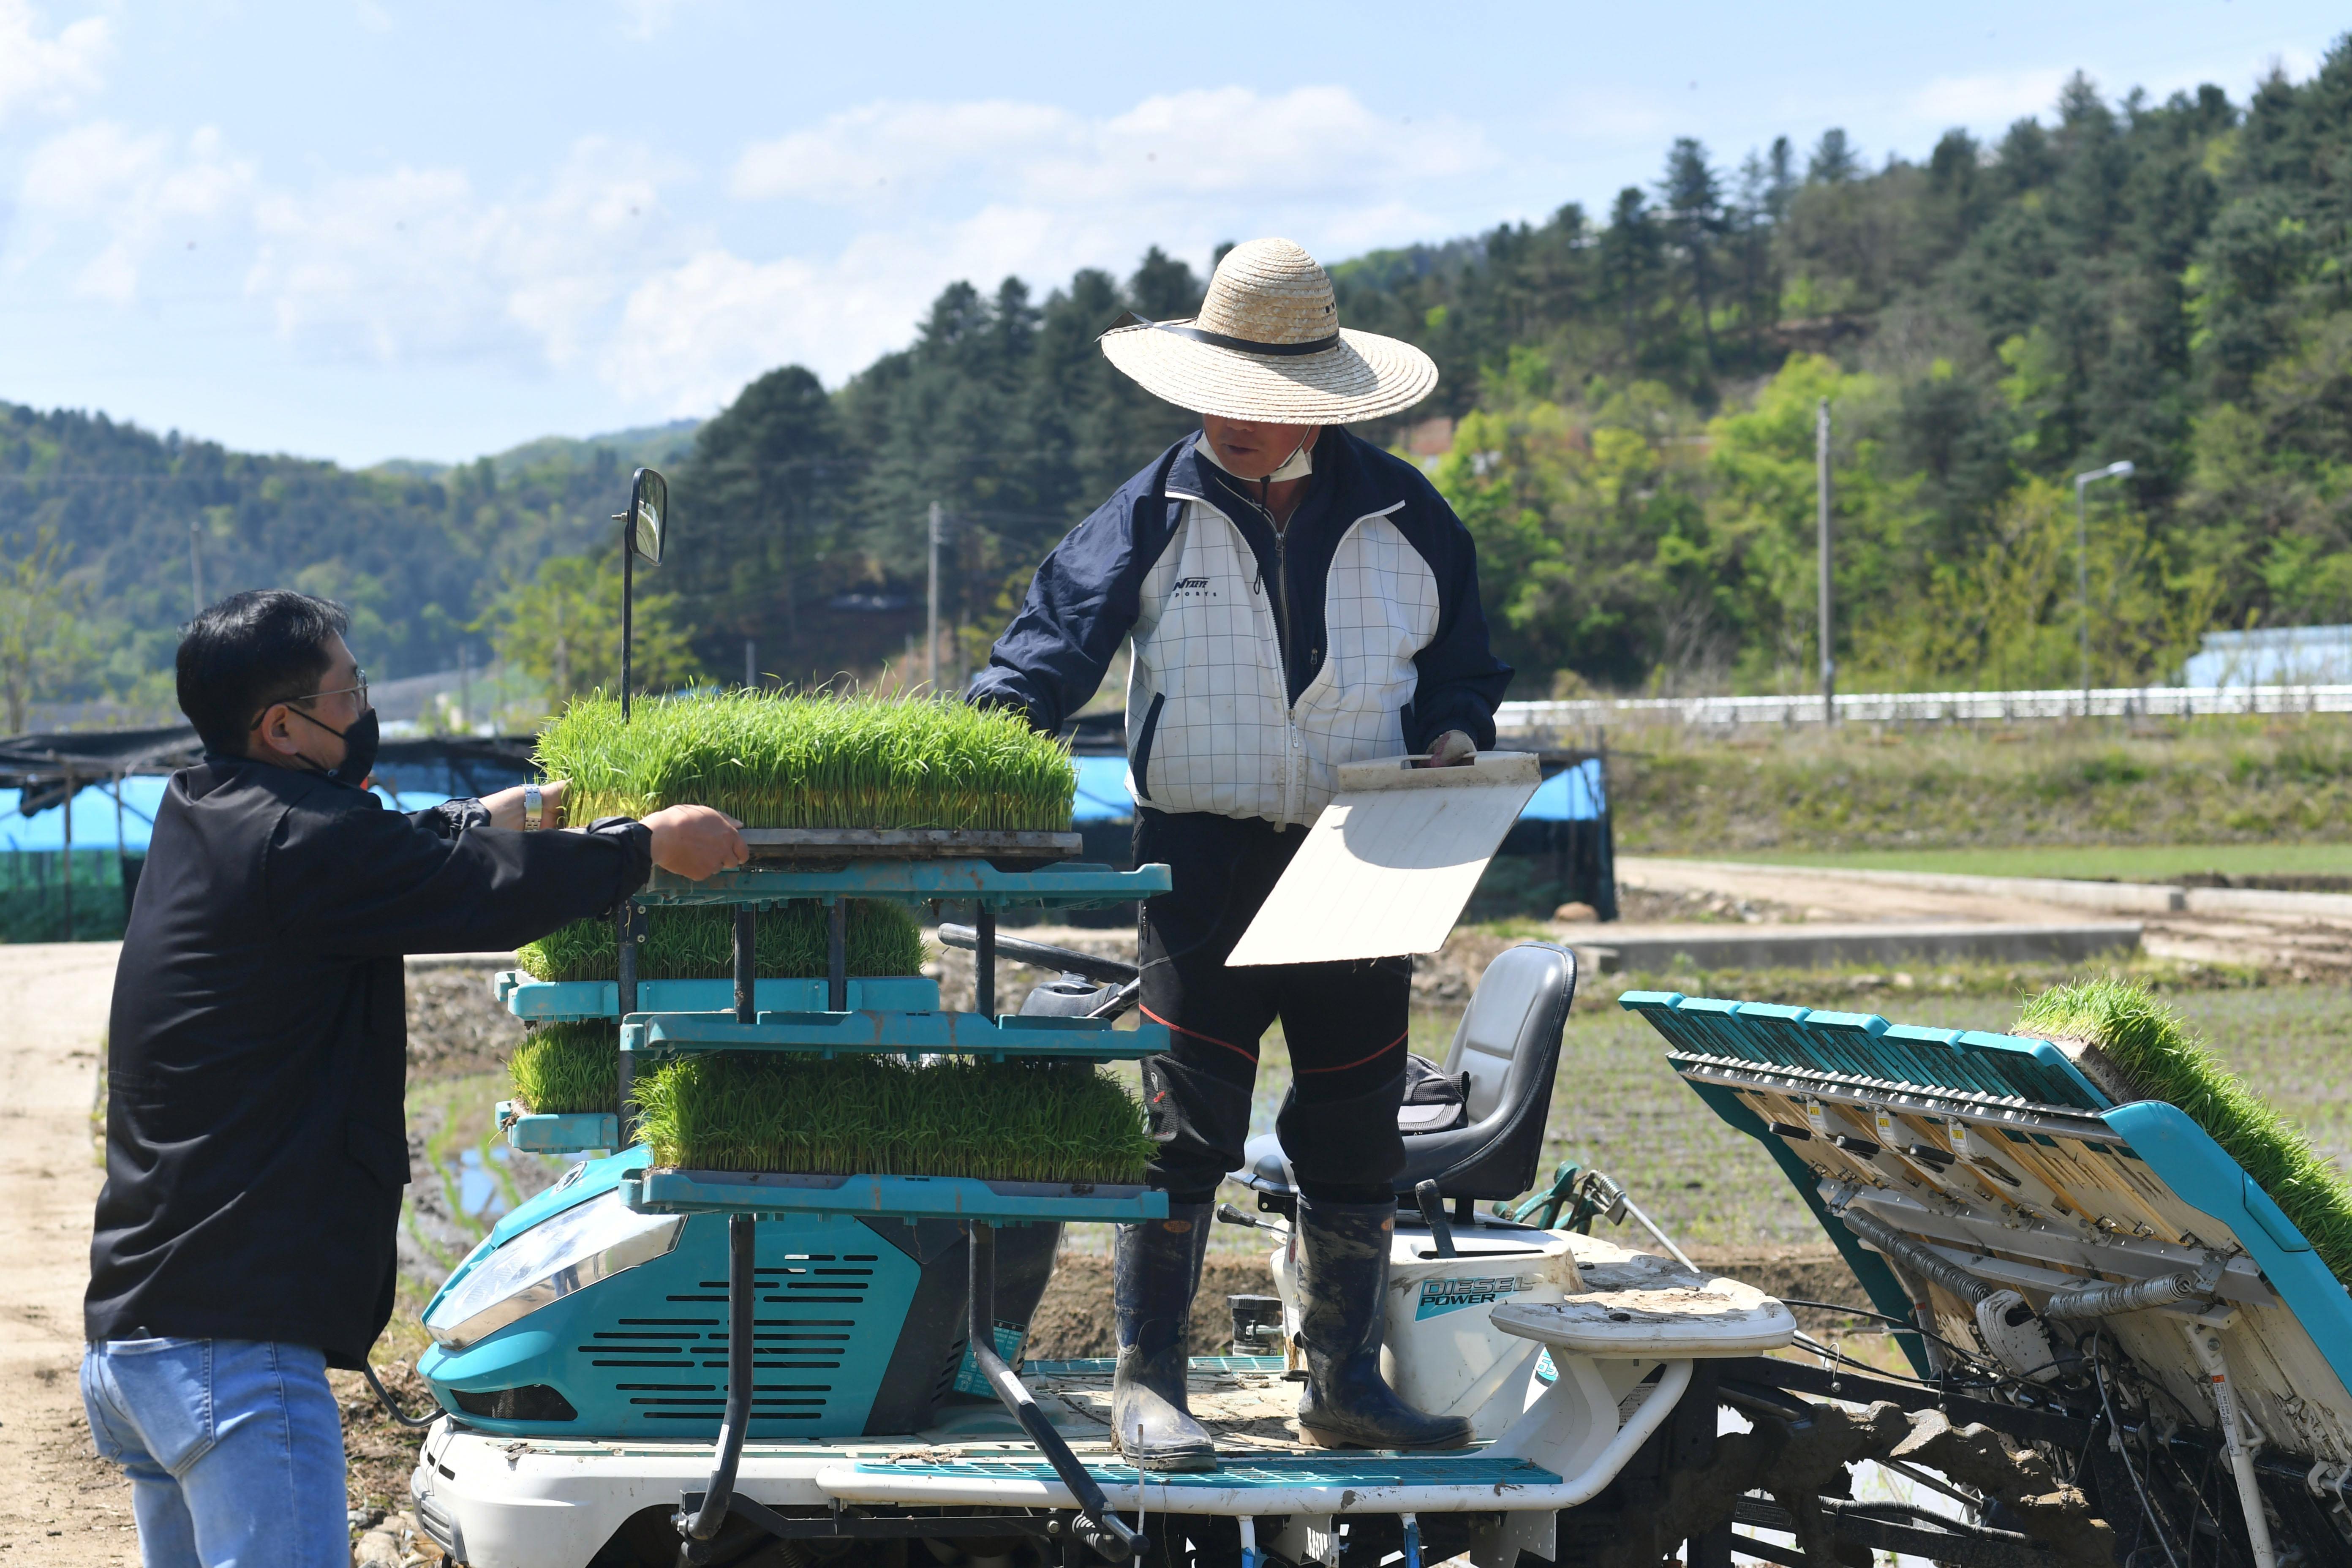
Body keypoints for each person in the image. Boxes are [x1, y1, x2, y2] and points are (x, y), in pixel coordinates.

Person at [969, 238, 1512, 1467]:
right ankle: (1147, 1379)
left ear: (1319, 399)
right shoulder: (1150, 510)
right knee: (1185, 1121)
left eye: (1263, 402)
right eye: (1218, 393)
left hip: (1365, 855)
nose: (1233, 421)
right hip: (1200, 861)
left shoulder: (1407, 514)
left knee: (1356, 1125)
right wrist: (986, 756)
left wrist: (1457, 736)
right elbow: (1044, 653)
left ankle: (1346, 1383)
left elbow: (1465, 669)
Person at [82, 591, 746, 1567]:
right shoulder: (304, 846)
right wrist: (644, 846)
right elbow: (476, 890)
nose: (363, 708)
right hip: (236, 1352)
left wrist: (478, 813)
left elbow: (372, 856)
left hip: (140, 1344)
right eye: (347, 690)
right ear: (282, 726)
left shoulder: (203, 811)